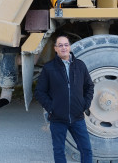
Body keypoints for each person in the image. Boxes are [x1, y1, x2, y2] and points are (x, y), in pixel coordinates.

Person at [34, 35, 94, 163]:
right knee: (59, 151)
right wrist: (52, 108)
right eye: (60, 45)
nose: (63, 48)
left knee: (86, 150)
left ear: (70, 47)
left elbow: (89, 86)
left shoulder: (80, 65)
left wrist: (85, 104)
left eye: (66, 45)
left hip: (77, 118)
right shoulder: (49, 68)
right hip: (57, 119)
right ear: (55, 48)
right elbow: (40, 92)